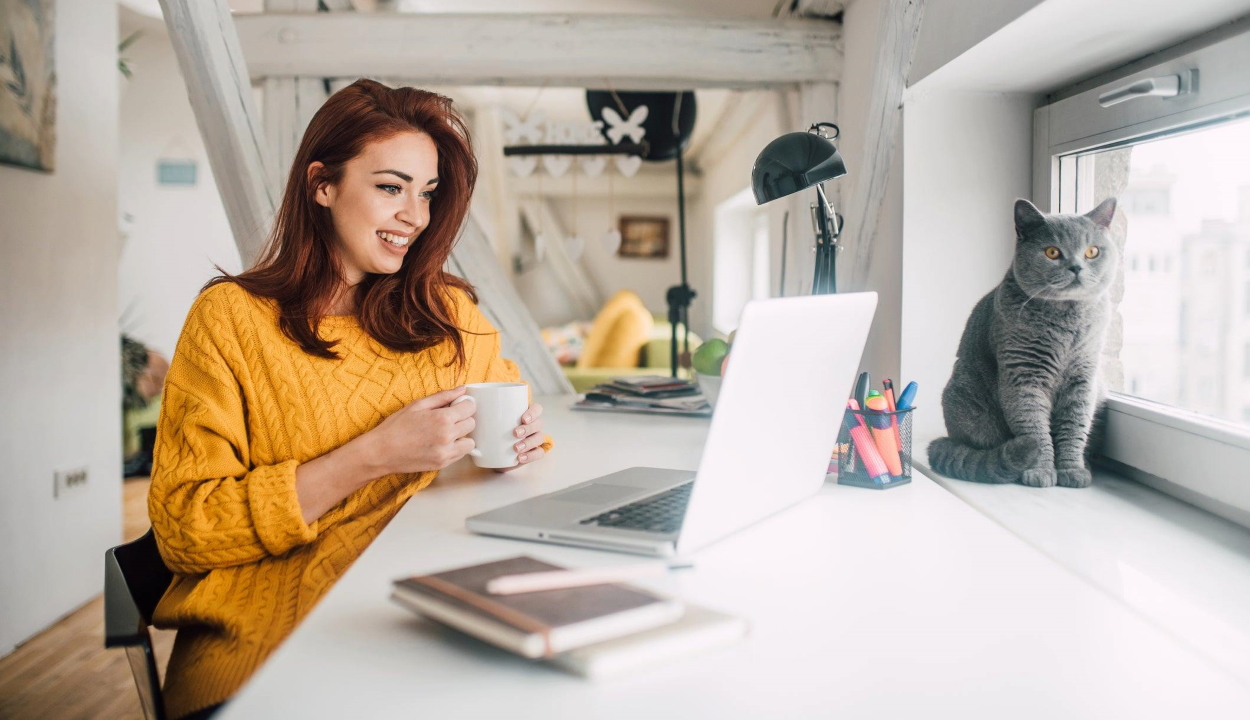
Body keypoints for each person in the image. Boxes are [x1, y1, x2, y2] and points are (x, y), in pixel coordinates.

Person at [147, 79, 552, 720]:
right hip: (274, 648)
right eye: (391, 187)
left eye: (427, 193)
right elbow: (184, 529)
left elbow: (511, 422)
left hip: (422, 615)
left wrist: (514, 445)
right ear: (323, 185)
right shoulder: (231, 318)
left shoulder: (448, 311)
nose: (414, 216)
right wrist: (374, 454)